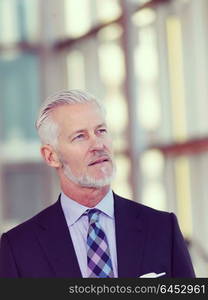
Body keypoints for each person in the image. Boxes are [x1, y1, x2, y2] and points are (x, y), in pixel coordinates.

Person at [0, 89, 195, 278]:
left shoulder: (162, 229)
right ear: (51, 156)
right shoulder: (18, 248)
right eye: (80, 136)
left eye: (101, 131)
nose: (98, 145)